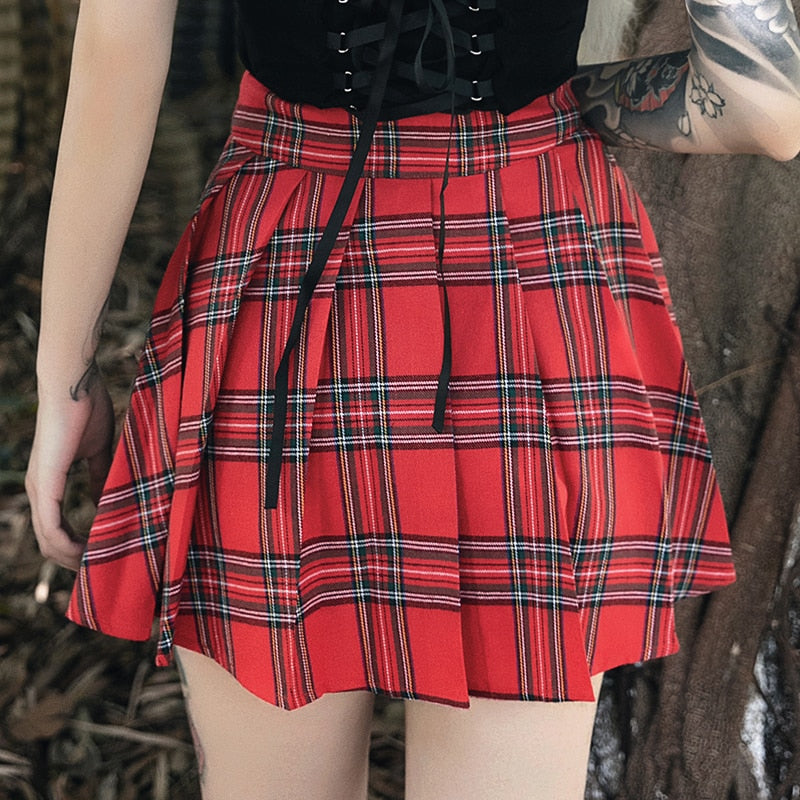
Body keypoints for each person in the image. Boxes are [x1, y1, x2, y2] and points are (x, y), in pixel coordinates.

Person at [24, 1, 800, 798]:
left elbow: (121, 45)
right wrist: (564, 103)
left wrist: (65, 378)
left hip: (281, 273)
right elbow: (762, 102)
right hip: (531, 266)